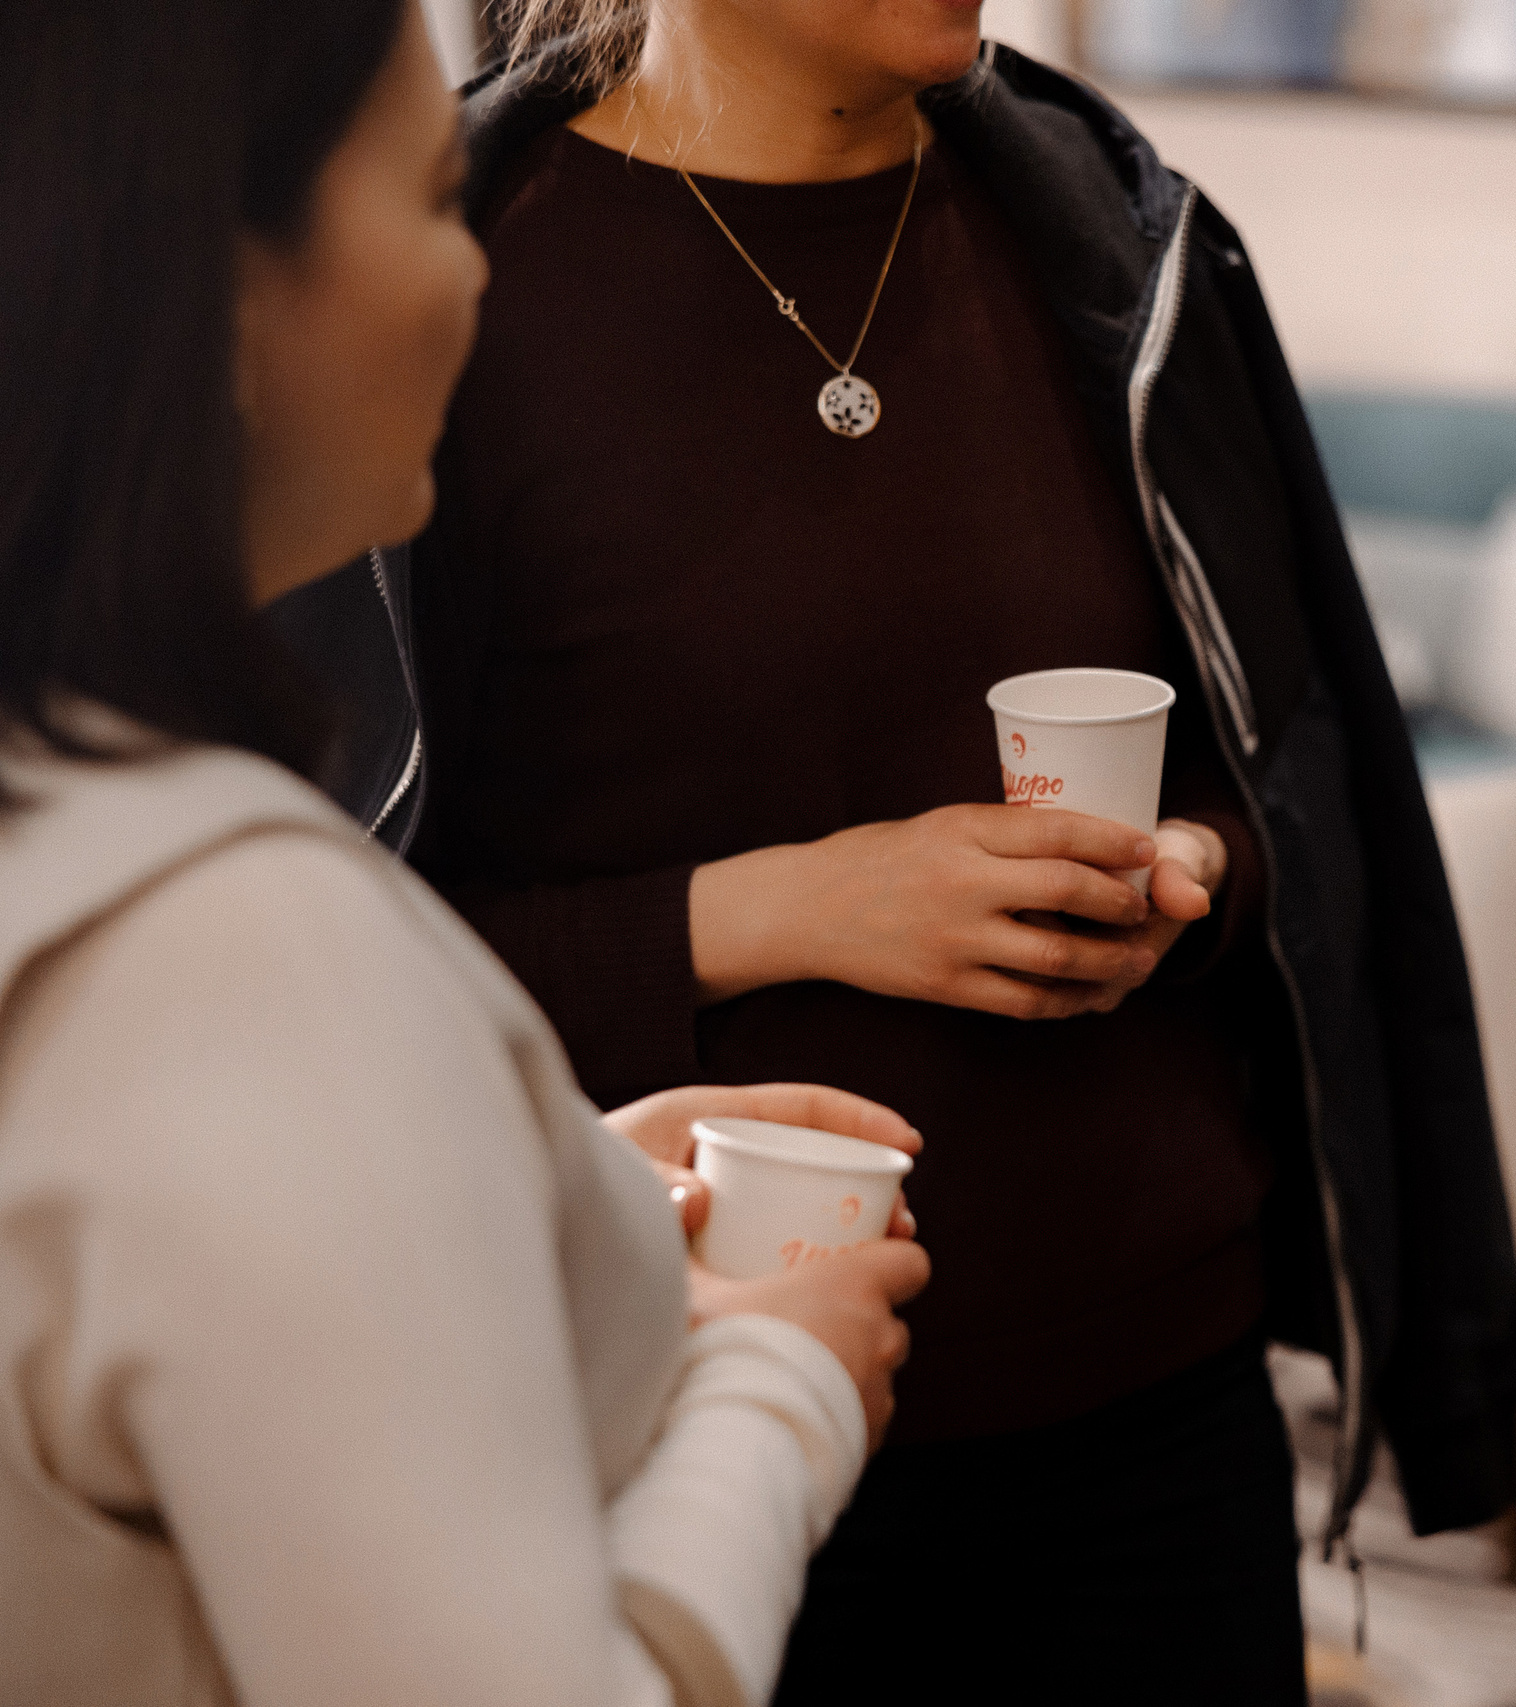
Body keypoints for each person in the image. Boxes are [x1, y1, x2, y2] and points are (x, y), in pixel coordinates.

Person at [264, 2, 1516, 1699]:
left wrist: (1191, 882)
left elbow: (1305, 786)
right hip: (680, 1430)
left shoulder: (1129, 245)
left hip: (1162, 1412)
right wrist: (777, 914)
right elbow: (318, 971)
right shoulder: (436, 279)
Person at [0, 4, 930, 1703]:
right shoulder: (242, 945)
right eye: (435, 200)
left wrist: (516, 1179)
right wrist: (776, 1398)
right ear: (217, 287)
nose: (479, 279)